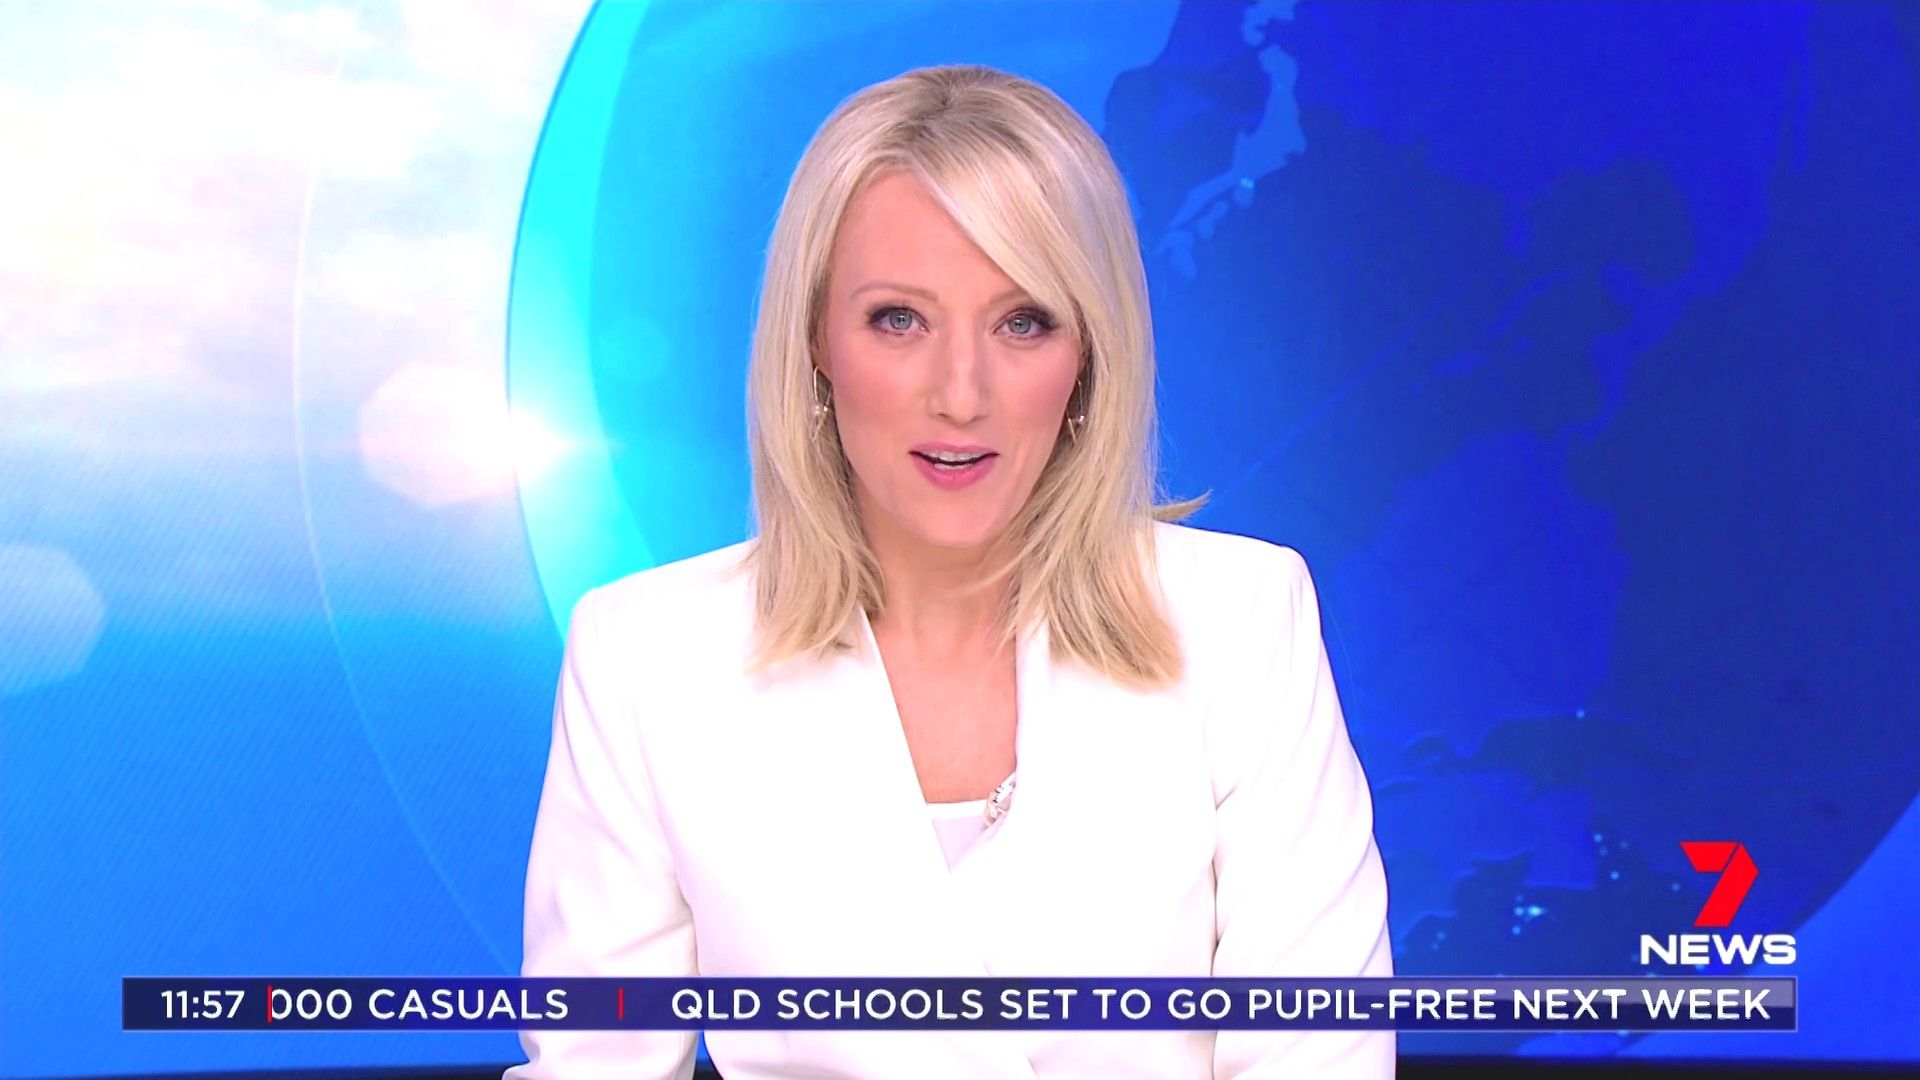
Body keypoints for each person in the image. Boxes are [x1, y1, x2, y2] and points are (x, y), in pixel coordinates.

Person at [505, 63, 1393, 1079]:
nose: (961, 394)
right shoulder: (650, 656)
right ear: (816, 341)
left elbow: (1318, 1055)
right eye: (899, 319)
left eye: (1023, 322)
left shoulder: (1239, 619)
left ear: (1088, 353)